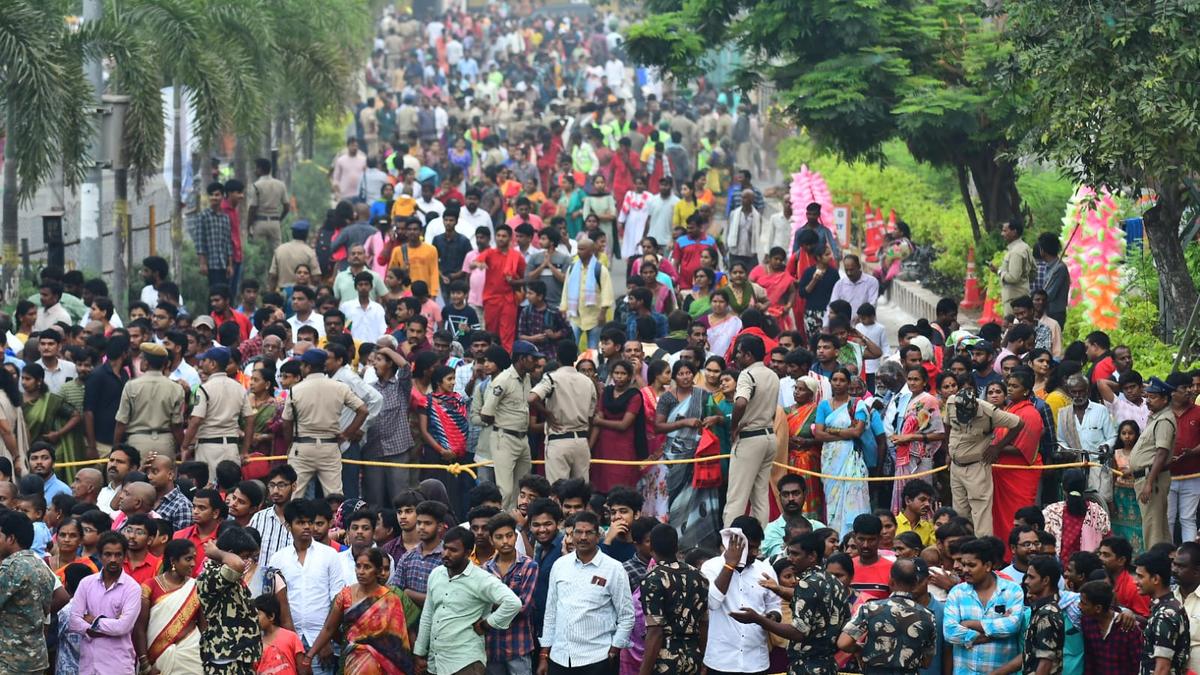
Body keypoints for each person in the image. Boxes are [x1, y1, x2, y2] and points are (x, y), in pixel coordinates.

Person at [539, 510, 634, 675]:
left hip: (597, 659)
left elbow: (626, 615)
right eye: (578, 532)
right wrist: (544, 654)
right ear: (571, 534)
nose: (583, 537)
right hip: (559, 658)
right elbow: (551, 613)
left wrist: (614, 650)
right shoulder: (560, 565)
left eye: (589, 532)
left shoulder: (614, 569)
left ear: (598, 536)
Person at [416, 527, 521, 675]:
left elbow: (513, 603)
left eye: (453, 550)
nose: (446, 554)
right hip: (436, 661)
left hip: (466, 662)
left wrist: (487, 624)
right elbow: (428, 615)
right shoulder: (436, 574)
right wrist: (420, 652)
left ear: (467, 552)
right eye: (445, 548)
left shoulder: (481, 579)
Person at [268, 499, 346, 674]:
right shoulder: (278, 559)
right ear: (289, 526)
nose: (307, 527)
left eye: (309, 522)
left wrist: (326, 640)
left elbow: (337, 599)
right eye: (300, 522)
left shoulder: (329, 555)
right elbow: (276, 602)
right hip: (288, 640)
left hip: (321, 640)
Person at [305, 548, 413, 674]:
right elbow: (329, 629)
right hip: (353, 663)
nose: (361, 572)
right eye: (358, 566)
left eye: (367, 567)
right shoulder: (345, 595)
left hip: (382, 667)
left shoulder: (391, 599)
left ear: (378, 571)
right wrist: (310, 655)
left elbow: (398, 642)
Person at [282, 349, 369, 497]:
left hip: (302, 446)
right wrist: (347, 434)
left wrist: (290, 443)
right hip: (329, 446)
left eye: (302, 365)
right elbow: (363, 410)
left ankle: (292, 521)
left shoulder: (295, 390)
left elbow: (287, 422)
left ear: (308, 367)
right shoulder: (339, 387)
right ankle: (337, 520)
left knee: (293, 495)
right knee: (334, 496)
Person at [944, 383, 1024, 536]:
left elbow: (1019, 423)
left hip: (977, 467)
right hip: (955, 466)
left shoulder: (988, 411)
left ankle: (983, 551)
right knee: (959, 512)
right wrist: (949, 450)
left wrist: (998, 447)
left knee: (981, 514)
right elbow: (947, 425)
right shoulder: (951, 403)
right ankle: (963, 549)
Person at [837, 557, 937, 673]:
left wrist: (860, 649)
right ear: (915, 583)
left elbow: (843, 643)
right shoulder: (928, 616)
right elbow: (926, 662)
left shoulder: (870, 608)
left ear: (890, 581)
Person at [943, 538, 1025, 674]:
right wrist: (990, 634)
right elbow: (950, 632)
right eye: (964, 565)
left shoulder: (1012, 590)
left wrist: (969, 624)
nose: (965, 570)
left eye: (971, 565)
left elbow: (1012, 625)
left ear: (987, 566)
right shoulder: (957, 593)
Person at [723, 335, 780, 526]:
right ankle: (760, 544)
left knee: (736, 496)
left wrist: (733, 427)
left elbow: (740, 402)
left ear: (748, 355)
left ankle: (729, 541)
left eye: (738, 353)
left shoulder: (747, 375)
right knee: (760, 496)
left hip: (750, 438)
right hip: (769, 436)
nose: (736, 357)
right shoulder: (772, 374)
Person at [639, 523, 708, 675]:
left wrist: (643, 672)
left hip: (665, 660)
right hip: (693, 658)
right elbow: (704, 624)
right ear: (676, 547)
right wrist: (703, 660)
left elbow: (655, 632)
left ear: (652, 549)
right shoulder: (699, 577)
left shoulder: (653, 579)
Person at [71, 531, 143, 675]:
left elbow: (123, 627)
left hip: (118, 666)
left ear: (125, 556)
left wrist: (94, 622)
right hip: (88, 666)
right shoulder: (86, 583)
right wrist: (109, 624)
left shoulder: (132, 588)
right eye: (108, 554)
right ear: (100, 555)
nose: (113, 559)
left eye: (118, 555)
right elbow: (73, 621)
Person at [528, 339, 597, 484]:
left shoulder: (551, 378)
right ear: (575, 357)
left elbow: (532, 398)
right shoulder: (587, 381)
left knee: (557, 491)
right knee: (580, 491)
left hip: (558, 440)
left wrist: (547, 414)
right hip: (581, 441)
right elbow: (591, 416)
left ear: (557, 357)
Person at [197, 527, 264, 674]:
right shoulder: (211, 575)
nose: (247, 561)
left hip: (239, 657)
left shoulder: (232, 577)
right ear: (231, 553)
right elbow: (237, 564)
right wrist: (217, 553)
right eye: (245, 556)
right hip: (223, 659)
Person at [811, 368, 870, 534]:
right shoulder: (824, 405)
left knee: (854, 495)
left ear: (848, 383)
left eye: (842, 380)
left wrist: (833, 431)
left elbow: (857, 432)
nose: (838, 383)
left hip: (852, 458)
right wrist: (845, 433)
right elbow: (819, 434)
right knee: (833, 500)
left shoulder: (857, 404)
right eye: (834, 379)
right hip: (830, 458)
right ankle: (836, 536)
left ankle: (855, 535)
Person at [0, 510, 57, 674]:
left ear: (11, 539)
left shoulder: (11, 568)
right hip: (35, 659)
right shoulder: (41, 566)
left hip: (10, 661)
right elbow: (47, 609)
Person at [481, 341, 537, 508]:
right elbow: (486, 413)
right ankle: (499, 525)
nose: (535, 362)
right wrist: (502, 424)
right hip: (504, 437)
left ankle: (516, 527)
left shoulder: (526, 378)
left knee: (522, 489)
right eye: (532, 358)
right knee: (504, 490)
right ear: (521, 359)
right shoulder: (503, 380)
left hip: (522, 437)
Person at [135, 539, 201, 674]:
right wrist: (145, 665)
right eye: (188, 559)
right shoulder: (150, 586)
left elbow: (203, 625)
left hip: (191, 656)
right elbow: (139, 629)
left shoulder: (196, 586)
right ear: (173, 561)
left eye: (194, 559)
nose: (193, 564)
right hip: (156, 660)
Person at [885, 366, 945, 512]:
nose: (912, 382)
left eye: (916, 379)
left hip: (919, 460)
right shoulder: (905, 399)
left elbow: (939, 433)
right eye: (910, 379)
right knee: (904, 499)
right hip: (903, 455)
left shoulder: (929, 400)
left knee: (920, 499)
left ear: (925, 381)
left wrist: (911, 437)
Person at [1128, 377, 1178, 548]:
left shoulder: (1164, 420)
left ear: (1165, 399)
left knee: (1153, 527)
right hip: (1147, 476)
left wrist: (1149, 483)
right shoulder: (1156, 417)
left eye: (1153, 397)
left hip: (1152, 478)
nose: (1148, 401)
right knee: (1158, 526)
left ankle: (1154, 567)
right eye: (1147, 396)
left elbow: (1161, 453)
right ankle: (1164, 563)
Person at [113, 342, 185, 459]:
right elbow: (176, 425)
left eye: (142, 358)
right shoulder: (176, 388)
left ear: (146, 363)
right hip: (165, 442)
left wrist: (115, 447)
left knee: (137, 476)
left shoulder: (131, 386)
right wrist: (183, 446)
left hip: (137, 442)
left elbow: (121, 422)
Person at [591, 359, 646, 494]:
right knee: (601, 484)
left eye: (623, 373)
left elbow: (624, 425)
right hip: (603, 445)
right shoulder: (606, 392)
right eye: (616, 373)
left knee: (621, 485)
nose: (619, 377)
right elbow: (600, 414)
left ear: (629, 376)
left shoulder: (635, 395)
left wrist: (600, 422)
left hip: (624, 446)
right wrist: (589, 447)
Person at [1136, 550, 1192, 675]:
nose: (1136, 581)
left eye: (1140, 576)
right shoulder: (1170, 606)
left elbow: (1162, 669)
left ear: (1155, 579)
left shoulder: (1165, 615)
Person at [1079, 579, 1143, 674]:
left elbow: (1137, 663)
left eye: (1083, 603)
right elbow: (1090, 660)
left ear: (1098, 608)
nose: (1079, 606)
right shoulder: (1087, 622)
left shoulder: (1127, 628)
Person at [561, 237, 614, 349]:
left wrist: (602, 313)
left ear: (591, 251)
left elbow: (607, 292)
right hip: (575, 315)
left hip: (594, 316)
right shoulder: (572, 268)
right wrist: (564, 309)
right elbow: (566, 289)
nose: (579, 252)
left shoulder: (600, 269)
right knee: (571, 347)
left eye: (582, 249)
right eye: (578, 249)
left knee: (593, 348)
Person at [1021, 555, 1066, 675]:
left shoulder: (1047, 613)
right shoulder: (1042, 609)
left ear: (1045, 580)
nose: (1026, 581)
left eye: (1031, 577)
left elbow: (1045, 662)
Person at [988, 218, 1035, 314]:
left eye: (1005, 231)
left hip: (1014, 301)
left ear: (1014, 232)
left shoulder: (1016, 252)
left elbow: (1013, 278)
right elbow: (1034, 271)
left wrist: (999, 271)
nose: (1002, 234)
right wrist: (1024, 281)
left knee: (1013, 326)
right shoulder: (1025, 247)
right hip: (1023, 295)